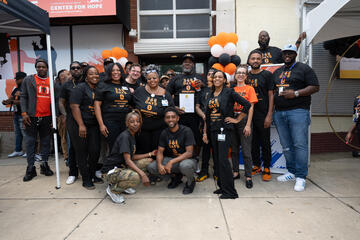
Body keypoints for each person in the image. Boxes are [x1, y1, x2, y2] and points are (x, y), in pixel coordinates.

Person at [273, 44, 319, 192]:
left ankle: (301, 176)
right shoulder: (278, 71)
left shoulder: (304, 69)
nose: (287, 55)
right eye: (285, 53)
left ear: (295, 54)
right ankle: (291, 171)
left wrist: (296, 93)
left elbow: (315, 86)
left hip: (298, 111)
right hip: (280, 112)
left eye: (290, 53)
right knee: (286, 144)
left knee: (300, 144)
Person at [203, 70, 250, 199]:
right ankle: (222, 187)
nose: (217, 78)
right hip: (213, 130)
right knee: (217, 161)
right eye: (215, 77)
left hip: (224, 130)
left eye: (220, 77)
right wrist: (205, 132)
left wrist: (237, 119)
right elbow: (207, 116)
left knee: (223, 160)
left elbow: (247, 104)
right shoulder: (211, 94)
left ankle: (230, 192)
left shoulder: (229, 92)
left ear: (224, 80)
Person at [102, 110, 155, 203]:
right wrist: (143, 175)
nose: (135, 124)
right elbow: (128, 161)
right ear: (127, 123)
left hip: (121, 167)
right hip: (111, 171)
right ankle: (113, 190)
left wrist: (150, 154)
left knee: (148, 161)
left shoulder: (131, 135)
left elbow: (132, 157)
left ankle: (125, 185)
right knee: (136, 177)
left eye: (138, 121)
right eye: (132, 121)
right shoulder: (125, 137)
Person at [147, 107, 197, 194]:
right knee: (152, 167)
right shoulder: (164, 133)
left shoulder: (186, 131)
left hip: (187, 160)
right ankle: (175, 177)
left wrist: (171, 162)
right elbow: (160, 152)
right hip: (173, 160)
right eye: (168, 117)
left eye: (173, 117)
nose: (170, 119)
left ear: (178, 118)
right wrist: (159, 165)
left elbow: (189, 153)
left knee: (185, 166)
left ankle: (191, 181)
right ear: (165, 119)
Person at [69, 66, 103, 189]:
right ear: (86, 76)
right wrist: (81, 125)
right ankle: (86, 178)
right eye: (91, 74)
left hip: (93, 124)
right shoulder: (80, 88)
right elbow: (74, 106)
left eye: (96, 74)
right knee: (81, 152)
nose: (95, 76)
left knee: (95, 151)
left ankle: (93, 174)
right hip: (78, 124)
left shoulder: (98, 88)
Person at [21, 59, 54, 181]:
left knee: (46, 142)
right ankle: (30, 168)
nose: (40, 68)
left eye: (43, 67)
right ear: (36, 68)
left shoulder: (52, 81)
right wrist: (24, 113)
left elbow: (54, 100)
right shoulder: (28, 80)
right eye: (38, 66)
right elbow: (23, 96)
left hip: (47, 116)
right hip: (31, 116)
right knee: (30, 142)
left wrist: (54, 117)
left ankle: (44, 165)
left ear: (47, 68)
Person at [167, 54, 206, 157]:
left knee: (196, 137)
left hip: (195, 114)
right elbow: (166, 94)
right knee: (180, 137)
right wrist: (173, 107)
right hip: (179, 113)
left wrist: (202, 85)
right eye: (185, 62)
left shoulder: (199, 77)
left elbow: (207, 92)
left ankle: (195, 158)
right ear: (182, 64)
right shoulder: (175, 78)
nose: (187, 63)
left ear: (193, 64)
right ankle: (180, 158)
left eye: (190, 62)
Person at [133, 64, 174, 154]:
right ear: (146, 79)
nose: (152, 80)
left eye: (154, 78)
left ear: (158, 78)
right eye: (149, 79)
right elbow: (132, 106)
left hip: (159, 130)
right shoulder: (139, 91)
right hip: (142, 130)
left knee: (157, 153)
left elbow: (171, 110)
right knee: (143, 153)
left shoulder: (166, 94)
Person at [247, 50, 274, 181]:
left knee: (265, 142)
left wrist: (269, 114)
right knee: (253, 142)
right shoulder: (245, 76)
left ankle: (267, 167)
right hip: (248, 114)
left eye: (258, 58)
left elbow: (271, 95)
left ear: (262, 61)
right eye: (253, 58)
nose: (256, 61)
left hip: (263, 114)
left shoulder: (267, 75)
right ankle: (256, 165)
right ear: (249, 61)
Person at [230, 65, 258, 188]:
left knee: (246, 150)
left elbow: (251, 107)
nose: (240, 75)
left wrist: (248, 125)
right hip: (233, 118)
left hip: (244, 119)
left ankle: (248, 176)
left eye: (243, 73)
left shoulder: (249, 89)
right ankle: (235, 172)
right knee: (234, 149)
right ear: (235, 75)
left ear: (246, 76)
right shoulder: (231, 89)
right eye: (238, 73)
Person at [94, 62, 131, 151]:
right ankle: (113, 164)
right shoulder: (103, 85)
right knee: (114, 146)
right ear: (109, 72)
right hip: (110, 121)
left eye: (118, 70)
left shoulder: (125, 86)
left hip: (125, 121)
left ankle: (123, 164)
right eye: (113, 70)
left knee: (125, 145)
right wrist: (101, 125)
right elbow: (97, 106)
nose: (116, 72)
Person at [59, 61, 83, 184]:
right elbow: (61, 102)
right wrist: (64, 115)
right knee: (73, 147)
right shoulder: (66, 85)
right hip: (72, 120)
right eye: (73, 68)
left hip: (87, 119)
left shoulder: (86, 82)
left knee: (87, 147)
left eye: (78, 68)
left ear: (82, 69)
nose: (75, 70)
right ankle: (73, 173)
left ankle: (88, 170)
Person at [195, 68, 215, 182]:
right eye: (209, 74)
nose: (211, 76)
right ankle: (204, 172)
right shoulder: (202, 90)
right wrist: (203, 115)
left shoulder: (221, 89)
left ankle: (217, 172)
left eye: (213, 74)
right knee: (205, 150)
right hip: (204, 124)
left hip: (217, 123)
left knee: (216, 150)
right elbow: (197, 106)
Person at [3, 71, 27, 158]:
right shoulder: (16, 89)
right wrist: (6, 102)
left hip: (24, 114)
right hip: (16, 114)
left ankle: (29, 151)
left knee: (25, 133)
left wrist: (13, 101)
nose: (16, 81)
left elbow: (25, 102)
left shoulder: (27, 88)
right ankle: (18, 150)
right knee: (17, 133)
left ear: (23, 79)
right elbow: (11, 98)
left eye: (18, 79)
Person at [55, 69, 71, 163]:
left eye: (68, 74)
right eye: (63, 75)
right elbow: (57, 103)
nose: (67, 76)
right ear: (60, 78)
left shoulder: (71, 86)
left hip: (72, 116)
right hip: (62, 117)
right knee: (64, 138)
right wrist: (59, 116)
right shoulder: (57, 88)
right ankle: (67, 158)